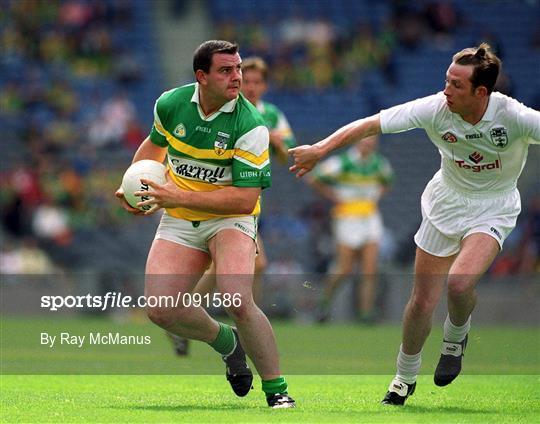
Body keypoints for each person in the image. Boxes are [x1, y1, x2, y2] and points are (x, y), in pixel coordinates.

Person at [289, 43, 539, 405]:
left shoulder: (513, 116)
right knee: (422, 301)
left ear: (481, 92)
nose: (446, 90)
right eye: (446, 80)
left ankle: (455, 339)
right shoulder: (436, 108)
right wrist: (319, 150)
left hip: (493, 207)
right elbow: (369, 124)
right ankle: (404, 377)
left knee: (460, 283)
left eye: (456, 85)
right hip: (444, 203)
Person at [115, 40, 295, 409]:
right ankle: (228, 344)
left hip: (231, 218)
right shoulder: (170, 104)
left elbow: (244, 199)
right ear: (202, 76)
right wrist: (133, 184)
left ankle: (277, 392)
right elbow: (154, 147)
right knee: (160, 310)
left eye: (239, 68)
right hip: (180, 216)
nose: (237, 77)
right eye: (226, 70)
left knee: (236, 298)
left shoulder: (251, 124)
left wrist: (176, 197)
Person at [167, 56, 297, 356]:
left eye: (257, 82)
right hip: (223, 201)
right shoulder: (230, 109)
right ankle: (234, 321)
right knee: (258, 263)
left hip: (247, 199)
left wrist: (277, 143)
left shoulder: (271, 115)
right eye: (246, 80)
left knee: (241, 266)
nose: (250, 86)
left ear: (264, 85)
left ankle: (188, 312)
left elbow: (285, 156)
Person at [308, 135, 393, 323]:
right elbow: (314, 178)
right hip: (347, 217)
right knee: (344, 269)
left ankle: (365, 313)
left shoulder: (379, 164)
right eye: (364, 142)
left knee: (370, 269)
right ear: (357, 142)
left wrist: (376, 196)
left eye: (371, 143)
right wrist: (334, 197)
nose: (367, 146)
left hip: (370, 218)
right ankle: (323, 303)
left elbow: (387, 183)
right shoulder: (342, 162)